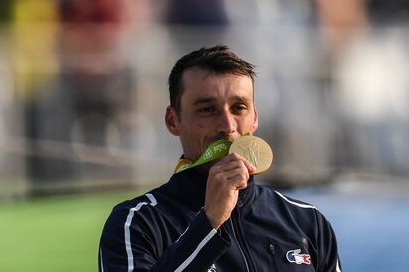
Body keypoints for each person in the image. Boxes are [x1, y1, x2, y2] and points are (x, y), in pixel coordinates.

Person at [98, 45, 342, 271]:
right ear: (173, 121)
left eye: (239, 108)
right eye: (207, 109)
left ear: (254, 118)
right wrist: (209, 223)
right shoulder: (137, 222)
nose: (227, 126)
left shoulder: (306, 221)